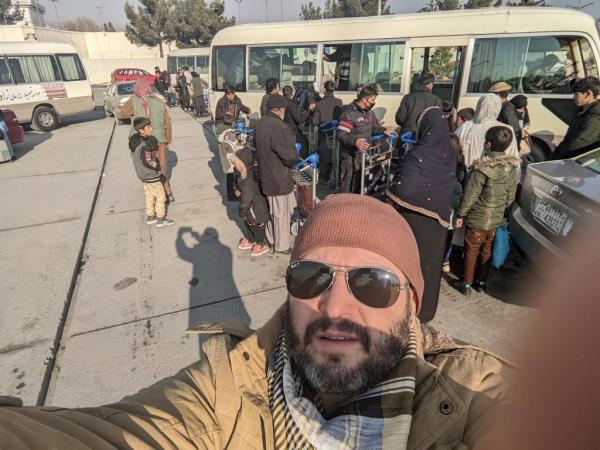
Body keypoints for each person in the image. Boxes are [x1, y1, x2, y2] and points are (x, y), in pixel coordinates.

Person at [0, 194, 512, 449]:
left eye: (373, 283)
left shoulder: (474, 392)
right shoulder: (226, 385)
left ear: (411, 304)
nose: (335, 308)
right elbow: (119, 436)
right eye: (311, 277)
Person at [387, 106, 457, 323]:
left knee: (409, 265)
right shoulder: (449, 153)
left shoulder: (418, 154)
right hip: (438, 222)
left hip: (412, 220)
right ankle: (425, 312)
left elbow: (405, 188)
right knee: (430, 267)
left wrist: (389, 192)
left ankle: (405, 311)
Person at [454, 126, 518, 295]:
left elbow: (470, 195)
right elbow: (510, 195)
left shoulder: (480, 169)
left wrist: (461, 213)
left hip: (477, 218)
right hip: (495, 219)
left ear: (487, 144)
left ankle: (466, 283)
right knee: (487, 249)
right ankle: (481, 282)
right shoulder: (511, 168)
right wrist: (501, 211)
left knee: (472, 250)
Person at [255, 94, 300, 254]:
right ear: (281, 109)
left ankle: (271, 238)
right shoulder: (279, 127)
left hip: (265, 173)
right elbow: (289, 156)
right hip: (278, 177)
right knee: (281, 213)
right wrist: (296, 157)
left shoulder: (260, 123)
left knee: (271, 211)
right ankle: (282, 246)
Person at [119, 78, 174, 203]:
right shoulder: (159, 102)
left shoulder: (134, 101)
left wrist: (133, 97)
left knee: (147, 168)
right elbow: (167, 123)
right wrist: (168, 140)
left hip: (140, 142)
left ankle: (154, 196)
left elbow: (122, 113)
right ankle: (168, 194)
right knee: (162, 168)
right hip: (159, 140)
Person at [337, 84, 395, 193]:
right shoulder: (349, 113)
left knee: (362, 187)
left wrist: (384, 131)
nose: (374, 103)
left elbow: (374, 128)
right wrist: (355, 141)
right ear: (364, 99)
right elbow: (341, 134)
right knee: (348, 187)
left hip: (365, 157)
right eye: (372, 100)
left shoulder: (368, 113)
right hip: (350, 158)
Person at [128, 117, 174, 228]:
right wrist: (158, 169)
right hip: (150, 175)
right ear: (141, 131)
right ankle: (160, 218)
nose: (151, 129)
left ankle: (150, 216)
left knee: (149, 195)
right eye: (149, 127)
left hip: (142, 175)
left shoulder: (135, 142)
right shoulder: (145, 146)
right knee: (160, 195)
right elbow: (149, 161)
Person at [458, 93, 519, 169]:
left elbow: (454, 148)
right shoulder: (507, 129)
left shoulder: (466, 126)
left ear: (479, 105)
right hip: (496, 176)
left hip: (467, 173)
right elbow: (513, 158)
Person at [230, 146, 271, 257]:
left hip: (255, 209)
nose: (234, 166)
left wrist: (242, 211)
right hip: (251, 208)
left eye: (236, 163)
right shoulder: (243, 174)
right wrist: (237, 190)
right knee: (249, 223)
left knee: (256, 224)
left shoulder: (248, 180)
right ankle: (252, 239)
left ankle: (262, 243)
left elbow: (246, 199)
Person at [552, 76, 600, 160]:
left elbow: (575, 146)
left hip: (578, 163)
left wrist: (555, 159)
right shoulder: (582, 110)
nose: (573, 97)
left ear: (587, 94)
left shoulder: (593, 118)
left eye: (576, 94)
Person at [442, 133, 467, 273]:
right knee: (448, 236)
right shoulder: (461, 164)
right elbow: (464, 187)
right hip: (454, 207)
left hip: (441, 205)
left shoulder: (438, 162)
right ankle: (446, 261)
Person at [395, 71, 443, 136]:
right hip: (427, 137)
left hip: (408, 136)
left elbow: (400, 119)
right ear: (430, 85)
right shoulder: (437, 100)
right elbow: (438, 122)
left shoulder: (408, 97)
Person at [313, 80, 343, 181]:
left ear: (324, 90)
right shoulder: (339, 102)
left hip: (324, 135)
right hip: (336, 134)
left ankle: (324, 178)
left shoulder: (320, 104)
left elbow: (315, 121)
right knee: (335, 156)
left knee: (324, 158)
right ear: (333, 90)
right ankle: (334, 177)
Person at [282, 85, 316, 158]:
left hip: (283, 129)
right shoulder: (291, 104)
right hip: (292, 131)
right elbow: (300, 119)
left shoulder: (280, 102)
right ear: (292, 94)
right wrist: (309, 110)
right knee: (304, 144)